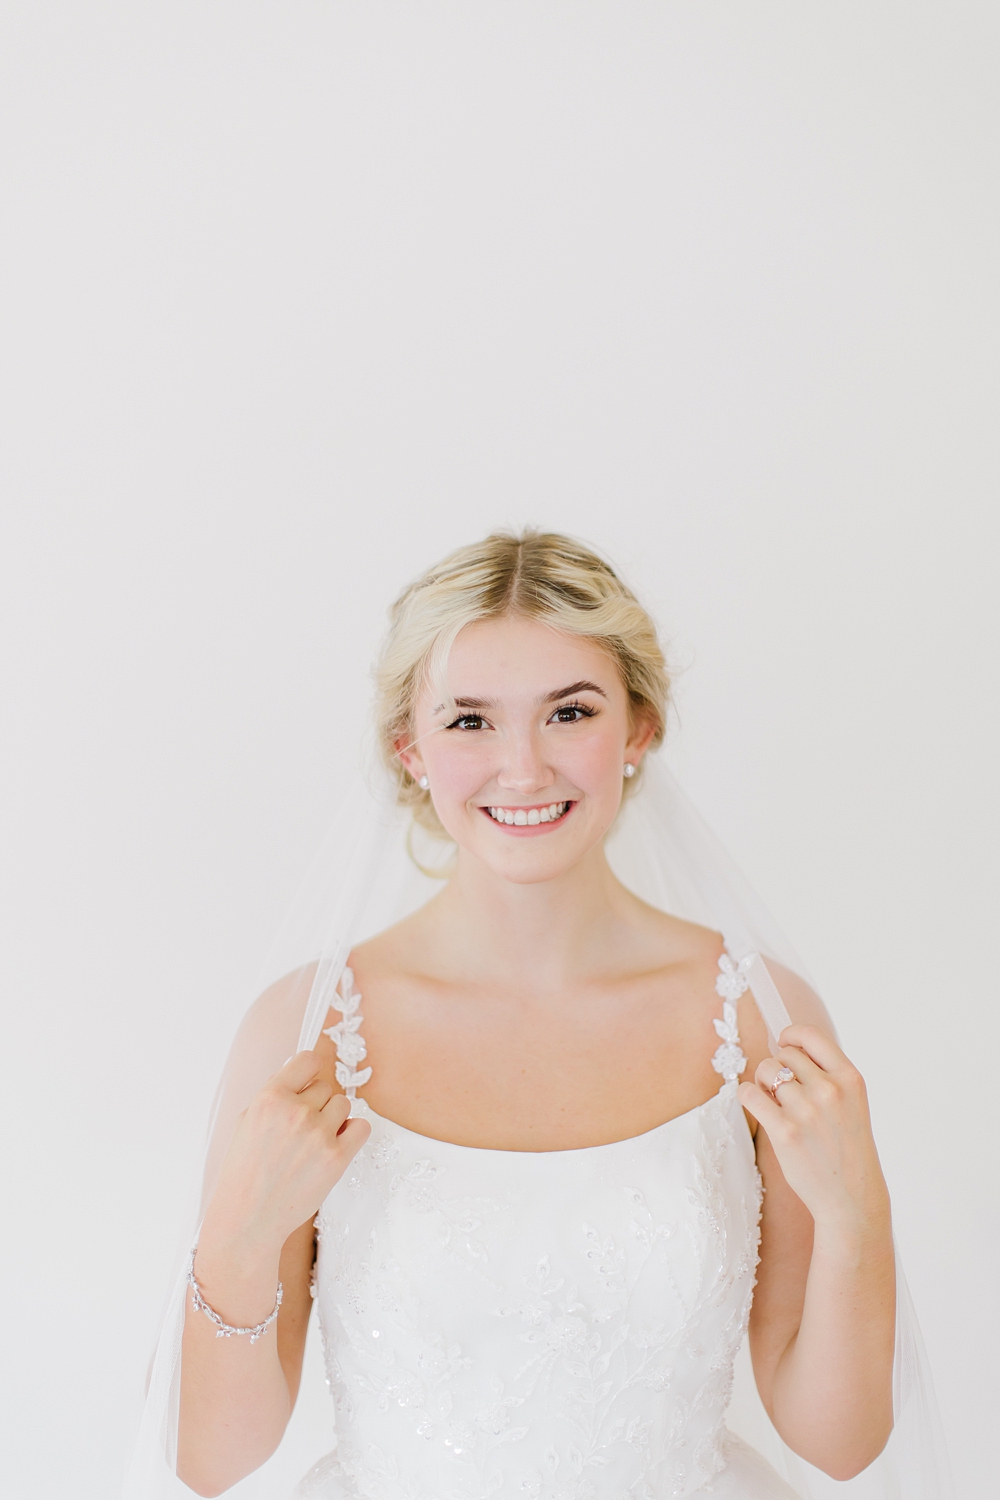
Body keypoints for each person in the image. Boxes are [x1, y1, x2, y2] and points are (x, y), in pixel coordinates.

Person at [170, 531, 899, 1499]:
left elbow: (840, 1443)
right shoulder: (307, 1034)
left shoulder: (761, 1020)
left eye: (570, 713)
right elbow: (212, 1461)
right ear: (411, 749)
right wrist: (238, 1234)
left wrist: (854, 1218)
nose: (521, 768)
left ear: (638, 729)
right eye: (469, 721)